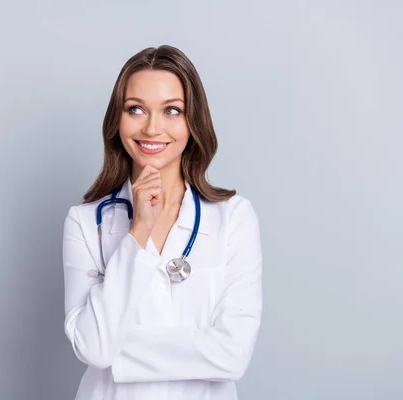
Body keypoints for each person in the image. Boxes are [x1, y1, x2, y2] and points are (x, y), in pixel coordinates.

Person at [61, 45, 263, 400]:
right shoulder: (84, 223)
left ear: (192, 121)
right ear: (117, 121)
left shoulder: (233, 218)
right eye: (135, 109)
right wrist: (137, 233)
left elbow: (233, 355)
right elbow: (93, 349)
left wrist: (118, 356)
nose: (152, 128)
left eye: (172, 110)